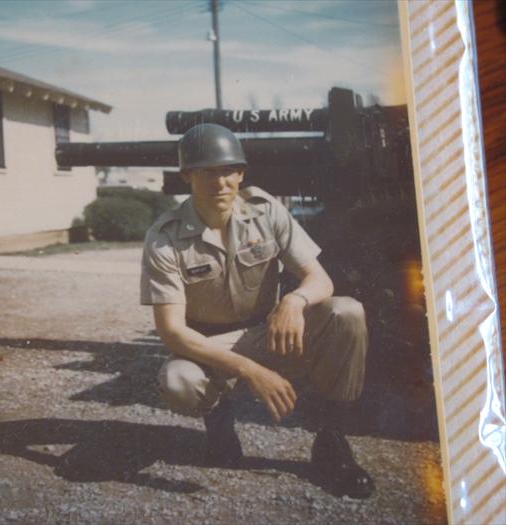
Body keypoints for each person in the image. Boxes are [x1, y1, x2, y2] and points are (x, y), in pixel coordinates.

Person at [140, 123, 375, 499]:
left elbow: (320, 279)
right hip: (210, 346)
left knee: (346, 312)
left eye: (228, 170)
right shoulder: (164, 238)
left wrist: (293, 302)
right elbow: (172, 332)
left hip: (269, 333)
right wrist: (252, 371)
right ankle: (219, 425)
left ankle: (332, 442)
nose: (220, 182)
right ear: (187, 176)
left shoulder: (266, 211)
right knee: (177, 379)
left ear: (241, 173)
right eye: (206, 171)